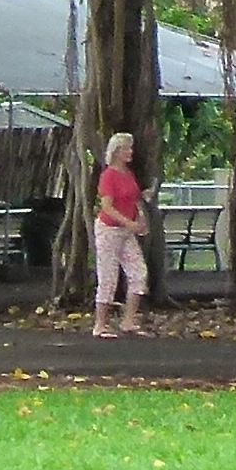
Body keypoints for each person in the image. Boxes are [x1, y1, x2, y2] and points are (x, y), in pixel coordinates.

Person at [89, 131, 150, 336]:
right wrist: (128, 223)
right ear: (116, 152)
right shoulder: (108, 176)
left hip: (126, 230)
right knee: (108, 276)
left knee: (138, 272)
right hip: (109, 230)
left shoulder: (128, 174)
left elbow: (133, 199)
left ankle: (128, 320)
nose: (130, 152)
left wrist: (140, 219)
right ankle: (100, 325)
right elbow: (107, 207)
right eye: (126, 148)